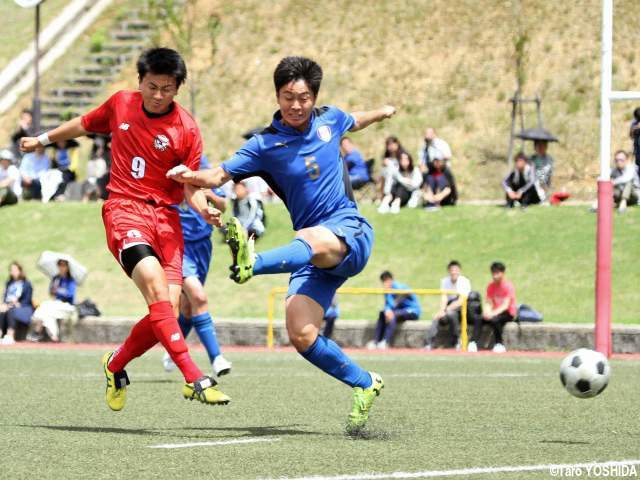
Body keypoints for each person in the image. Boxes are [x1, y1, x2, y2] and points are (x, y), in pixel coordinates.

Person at [168, 56, 395, 433]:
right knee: (301, 333)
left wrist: (383, 111)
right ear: (277, 95)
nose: (295, 105)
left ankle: (251, 263)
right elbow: (219, 175)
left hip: (349, 231)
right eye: (288, 96)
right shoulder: (264, 145)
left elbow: (356, 117)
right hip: (311, 251)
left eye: (303, 97)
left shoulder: (330, 120)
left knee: (305, 238)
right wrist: (187, 174)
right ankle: (364, 383)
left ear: (315, 97)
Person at [20, 47, 229, 410]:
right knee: (153, 284)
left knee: (167, 307)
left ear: (178, 87)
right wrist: (42, 140)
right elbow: (84, 124)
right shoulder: (121, 104)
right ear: (140, 82)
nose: (159, 95)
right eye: (152, 87)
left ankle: (115, 364)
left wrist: (205, 210)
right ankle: (194, 376)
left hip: (167, 221)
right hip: (124, 211)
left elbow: (190, 189)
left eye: (167, 88)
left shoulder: (187, 129)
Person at [163, 155, 233, 377]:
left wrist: (208, 194)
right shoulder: (167, 171)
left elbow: (223, 204)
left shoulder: (201, 167)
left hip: (203, 247)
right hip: (178, 248)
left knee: (187, 307)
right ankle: (217, 358)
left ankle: (173, 351)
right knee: (199, 297)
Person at [424, 260, 471, 350]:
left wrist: (446, 310)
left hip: (462, 309)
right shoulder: (444, 281)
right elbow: (444, 298)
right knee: (436, 317)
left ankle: (457, 340)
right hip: (449, 307)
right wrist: (441, 311)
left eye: (456, 270)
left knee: (450, 314)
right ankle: (428, 343)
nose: (454, 272)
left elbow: (461, 300)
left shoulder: (464, 281)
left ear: (459, 271)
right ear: (449, 271)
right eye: (452, 270)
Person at [471, 261, 516, 353]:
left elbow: (505, 305)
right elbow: (488, 302)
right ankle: (473, 342)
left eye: (497, 273)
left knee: (495, 320)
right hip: (494, 312)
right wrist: (486, 312)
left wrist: (493, 314)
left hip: (507, 313)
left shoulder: (508, 286)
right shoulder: (490, 286)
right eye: (493, 273)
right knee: (479, 319)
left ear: (502, 273)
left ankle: (499, 344)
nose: (495, 276)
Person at [368, 271, 421, 349]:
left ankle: (385, 342)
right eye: (383, 281)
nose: (385, 283)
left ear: (391, 279)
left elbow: (399, 301)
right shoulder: (387, 291)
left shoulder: (400, 287)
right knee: (382, 313)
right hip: (398, 311)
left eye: (386, 280)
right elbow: (387, 305)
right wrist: (387, 311)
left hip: (412, 311)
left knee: (393, 314)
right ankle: (376, 341)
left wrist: (390, 310)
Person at [30, 259, 77, 343]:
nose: (61, 268)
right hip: (56, 304)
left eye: (64, 265)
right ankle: (54, 336)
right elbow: (51, 293)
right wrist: (53, 289)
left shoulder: (71, 280)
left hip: (67, 305)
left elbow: (70, 294)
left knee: (45, 307)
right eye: (60, 265)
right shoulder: (56, 278)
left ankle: (38, 331)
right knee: (46, 311)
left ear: (67, 267)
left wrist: (58, 291)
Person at [0, 262, 34, 345]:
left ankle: (10, 335)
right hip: (9, 306)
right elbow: (5, 297)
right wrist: (4, 304)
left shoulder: (26, 284)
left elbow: (27, 300)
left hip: (23, 308)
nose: (13, 272)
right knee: (2, 309)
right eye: (11, 270)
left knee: (11, 310)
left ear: (20, 271)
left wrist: (17, 304)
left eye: (15, 270)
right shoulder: (9, 283)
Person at [377, 136, 406, 201]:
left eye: (392, 144)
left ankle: (386, 194)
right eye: (388, 145)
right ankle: (382, 195)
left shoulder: (403, 155)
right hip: (389, 178)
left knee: (388, 169)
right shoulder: (386, 157)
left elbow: (405, 169)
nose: (390, 147)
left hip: (400, 178)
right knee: (384, 171)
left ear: (397, 144)